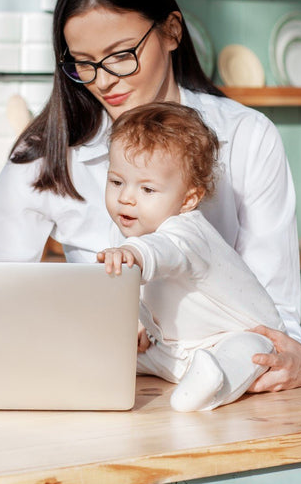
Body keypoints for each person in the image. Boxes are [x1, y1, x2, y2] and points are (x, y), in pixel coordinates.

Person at [0, 0, 301, 392]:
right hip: (102, 387)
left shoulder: (247, 137)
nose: (104, 81)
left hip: (224, 393)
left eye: (121, 54)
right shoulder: (47, 151)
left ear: (171, 31)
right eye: (83, 63)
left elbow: (277, 315)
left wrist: (299, 358)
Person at [97, 102, 287, 411]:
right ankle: (105, 368)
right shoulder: (129, 235)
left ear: (188, 199)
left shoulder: (189, 232)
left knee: (246, 352)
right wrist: (137, 321)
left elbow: (163, 252)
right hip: (177, 348)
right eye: (117, 182)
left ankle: (210, 384)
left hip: (242, 335)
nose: (125, 197)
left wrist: (131, 253)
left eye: (147, 189)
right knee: (120, 353)